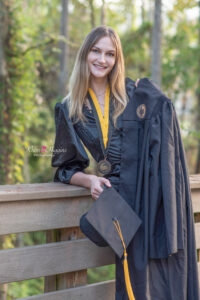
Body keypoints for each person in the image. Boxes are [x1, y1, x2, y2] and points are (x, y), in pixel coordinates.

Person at [52, 25, 199, 300]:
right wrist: (90, 180)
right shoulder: (68, 107)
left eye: (110, 54)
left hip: (146, 194)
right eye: (96, 51)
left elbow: (162, 128)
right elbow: (65, 167)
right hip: (117, 202)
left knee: (158, 276)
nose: (102, 60)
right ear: (85, 54)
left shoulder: (132, 95)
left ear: (117, 60)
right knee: (132, 281)